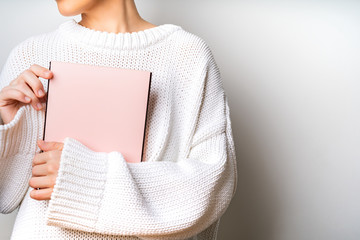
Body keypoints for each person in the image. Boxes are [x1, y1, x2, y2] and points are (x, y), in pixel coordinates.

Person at [0, 0, 238, 239]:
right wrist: (7, 126)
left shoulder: (187, 56)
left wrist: (85, 178)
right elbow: (7, 196)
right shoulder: (30, 54)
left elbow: (212, 187)